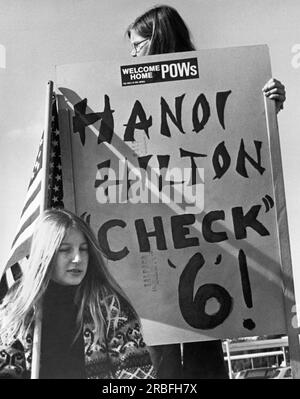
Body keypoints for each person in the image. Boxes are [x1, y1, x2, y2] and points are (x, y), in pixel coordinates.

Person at [125, 4, 286, 379]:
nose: (132, 54)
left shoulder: (213, 83)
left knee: (204, 354)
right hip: (155, 241)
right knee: (162, 358)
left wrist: (266, 101)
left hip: (202, 240)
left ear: (160, 37)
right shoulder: (123, 95)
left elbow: (237, 138)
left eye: (138, 44)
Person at [0, 209, 156, 379]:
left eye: (83, 249)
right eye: (65, 250)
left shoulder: (110, 307)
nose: (78, 258)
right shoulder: (18, 308)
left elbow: (136, 373)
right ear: (44, 255)